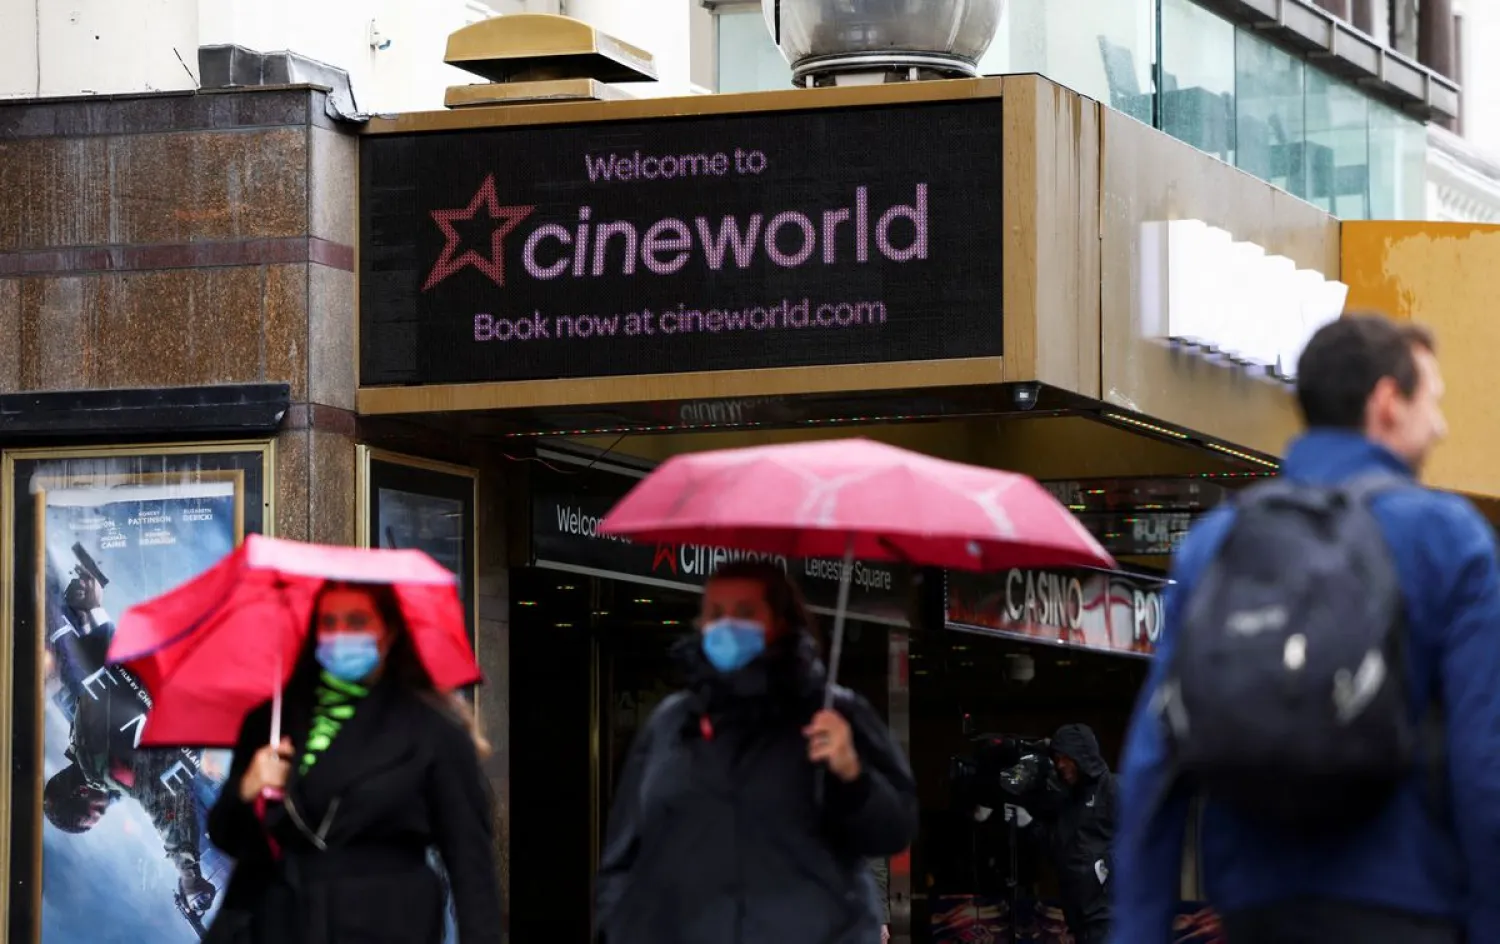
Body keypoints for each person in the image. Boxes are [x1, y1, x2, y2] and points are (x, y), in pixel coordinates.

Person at [1113, 315, 1500, 943]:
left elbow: (1155, 761)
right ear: (1387, 403)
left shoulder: (1219, 541)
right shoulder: (1446, 538)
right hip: (1408, 907)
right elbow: (1484, 767)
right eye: (1433, 400)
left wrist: (1137, 931)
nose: (1443, 425)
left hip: (1255, 909)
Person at [594, 561, 918, 944]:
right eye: (715, 613)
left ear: (780, 621)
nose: (727, 625)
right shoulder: (671, 725)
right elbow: (623, 857)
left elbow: (894, 829)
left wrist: (853, 775)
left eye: (745, 613)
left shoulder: (834, 715)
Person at [204, 581, 503, 944]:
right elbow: (227, 835)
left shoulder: (433, 730)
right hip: (283, 922)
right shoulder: (276, 720)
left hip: (385, 923)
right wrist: (248, 787)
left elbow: (470, 865)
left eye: (357, 621)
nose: (340, 634)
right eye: (328, 622)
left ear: (389, 632)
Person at [41, 569, 218, 918]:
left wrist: (188, 873)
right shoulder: (80, 723)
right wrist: (93, 611)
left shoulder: (104, 768)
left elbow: (161, 802)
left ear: (80, 793)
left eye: (97, 812)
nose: (106, 807)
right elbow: (105, 664)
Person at [1000, 725, 1114, 944]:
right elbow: (1057, 850)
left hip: (1111, 916)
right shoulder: (1068, 802)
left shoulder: (1112, 790)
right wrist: (1029, 823)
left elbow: (1139, 841)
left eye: (1066, 758)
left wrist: (1104, 867)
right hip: (1081, 920)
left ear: (1081, 756)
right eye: (1057, 758)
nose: (1060, 764)